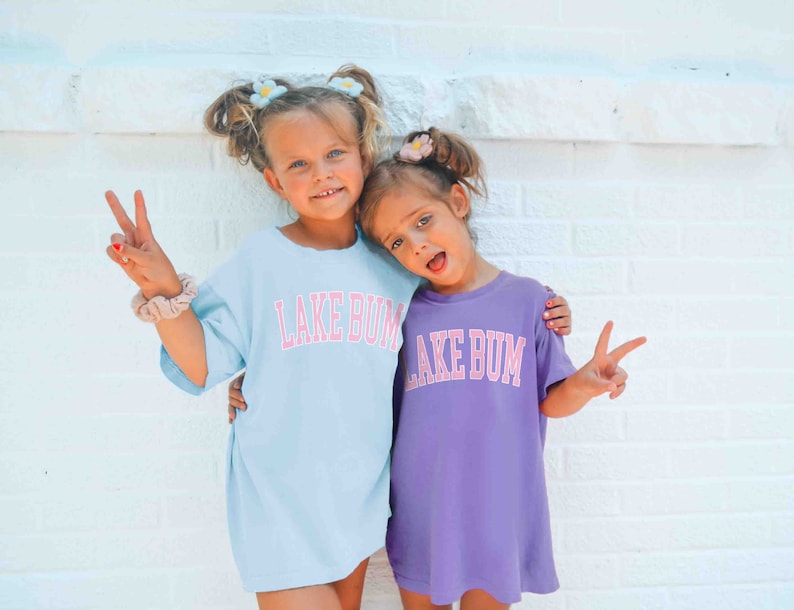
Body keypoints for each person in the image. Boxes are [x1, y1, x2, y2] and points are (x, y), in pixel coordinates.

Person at [104, 64, 569, 610]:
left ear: (363, 158)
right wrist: (162, 290)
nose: (320, 173)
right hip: (275, 497)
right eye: (297, 164)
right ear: (275, 181)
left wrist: (546, 312)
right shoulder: (261, 261)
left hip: (357, 499)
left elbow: (461, 313)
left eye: (333, 155)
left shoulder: (396, 266)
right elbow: (202, 366)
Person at [355, 128, 646, 610]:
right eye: (398, 242)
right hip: (423, 510)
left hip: (499, 508)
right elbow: (354, 380)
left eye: (424, 221)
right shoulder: (400, 311)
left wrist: (586, 383)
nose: (417, 245)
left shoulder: (531, 301)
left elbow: (550, 398)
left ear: (458, 202)